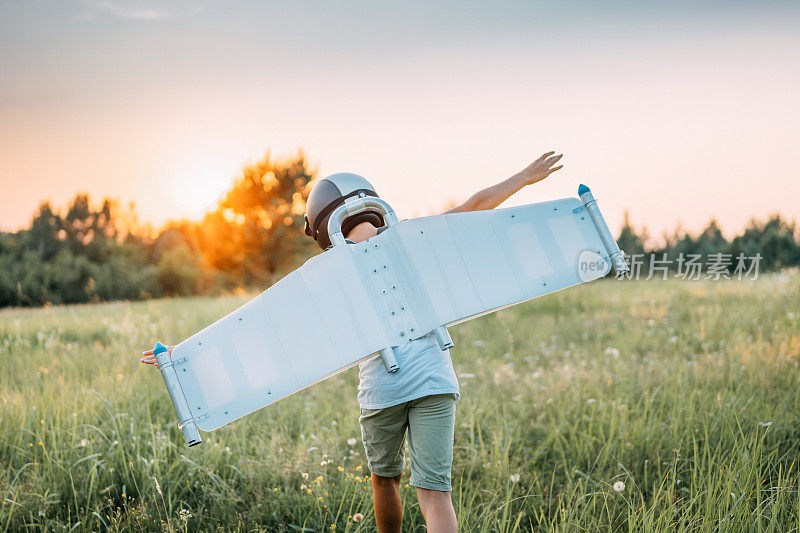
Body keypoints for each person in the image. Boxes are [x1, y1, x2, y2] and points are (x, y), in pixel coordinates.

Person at [141, 151, 563, 533]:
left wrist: (182, 354)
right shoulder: (412, 238)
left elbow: (262, 322)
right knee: (435, 496)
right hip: (435, 378)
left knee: (385, 480)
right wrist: (523, 177)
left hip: (382, 390)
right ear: (371, 205)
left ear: (321, 224)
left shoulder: (326, 271)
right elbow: (474, 206)